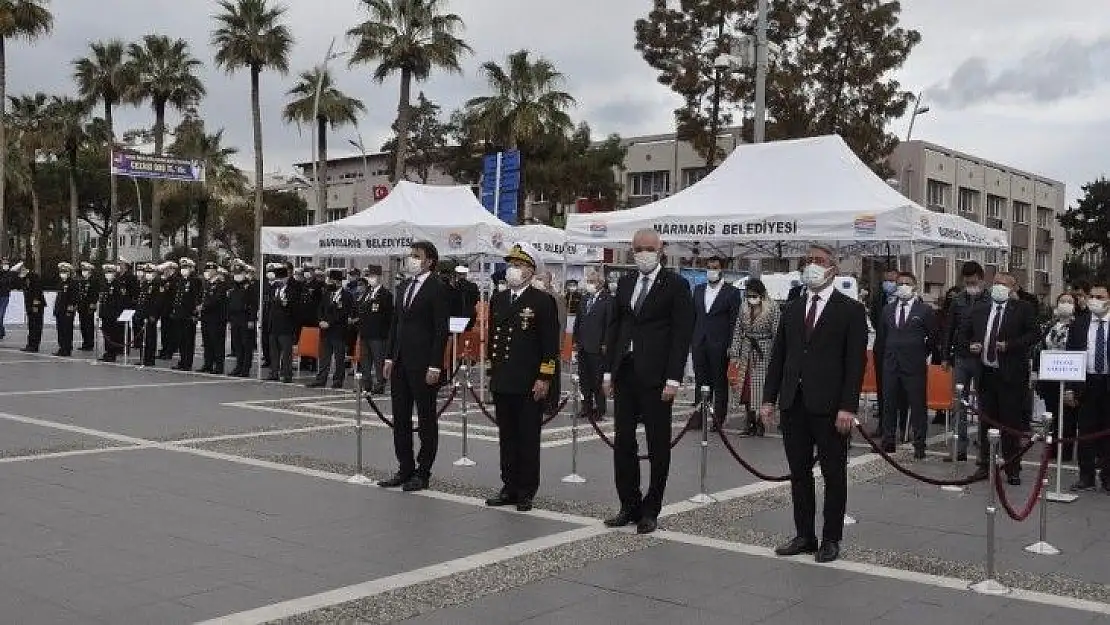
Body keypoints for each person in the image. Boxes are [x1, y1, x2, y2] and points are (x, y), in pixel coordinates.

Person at [761, 244, 867, 564]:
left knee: (834, 475)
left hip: (831, 406)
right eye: (808, 261)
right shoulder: (792, 308)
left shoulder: (850, 310)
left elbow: (855, 364)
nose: (812, 266)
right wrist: (769, 399)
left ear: (833, 267)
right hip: (795, 403)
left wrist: (848, 406)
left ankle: (831, 539)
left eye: (818, 261)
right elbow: (779, 357)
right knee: (799, 474)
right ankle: (804, 534)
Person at [602, 229, 695, 535]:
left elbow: (681, 335)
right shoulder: (626, 283)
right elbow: (615, 327)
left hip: (657, 377)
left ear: (660, 250)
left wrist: (673, 378)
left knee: (657, 445)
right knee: (623, 442)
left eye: (648, 248)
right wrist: (607, 371)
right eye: (638, 249)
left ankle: (651, 509)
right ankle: (628, 503)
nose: (643, 253)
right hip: (626, 372)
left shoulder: (677, 286)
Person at [485, 243, 560, 512]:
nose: (513, 270)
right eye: (511, 265)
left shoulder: (542, 301)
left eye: (518, 265)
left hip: (529, 381)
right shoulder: (500, 299)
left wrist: (545, 377)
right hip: (504, 379)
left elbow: (550, 345)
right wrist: (492, 371)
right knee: (507, 436)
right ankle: (509, 486)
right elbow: (494, 337)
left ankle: (526, 490)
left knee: (527, 437)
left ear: (530, 270)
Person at [378, 241, 451, 492]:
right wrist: (389, 357)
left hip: (423, 364)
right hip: (400, 362)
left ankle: (423, 470)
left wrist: (435, 364)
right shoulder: (404, 286)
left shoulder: (437, 288)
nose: (411, 259)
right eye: (410, 255)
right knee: (400, 418)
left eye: (416, 256)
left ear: (429, 260)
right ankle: (404, 467)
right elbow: (395, 325)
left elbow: (441, 330)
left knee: (426, 418)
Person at [961, 272, 1038, 485]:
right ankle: (984, 465)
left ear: (1013, 288)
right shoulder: (980, 309)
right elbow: (963, 335)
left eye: (1004, 284)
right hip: (987, 375)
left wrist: (1010, 345)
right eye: (996, 283)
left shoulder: (1022, 309)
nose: (999, 287)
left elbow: (1033, 334)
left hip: (1011, 377)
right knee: (986, 423)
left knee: (1010, 425)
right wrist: (970, 345)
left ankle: (1013, 468)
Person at [872, 272, 939, 458]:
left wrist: (921, 352)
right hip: (891, 364)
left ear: (915, 286)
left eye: (906, 283)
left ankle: (919, 444)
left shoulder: (924, 310)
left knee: (917, 406)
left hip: (914, 365)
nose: (902, 286)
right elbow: (882, 337)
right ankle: (888, 440)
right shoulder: (888, 310)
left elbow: (933, 337)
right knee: (889, 404)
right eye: (899, 283)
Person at [1064, 283, 1110, 492]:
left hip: (1107, 381)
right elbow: (1071, 356)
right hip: (1087, 384)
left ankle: (1108, 477)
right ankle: (1086, 476)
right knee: (1085, 431)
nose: (1094, 300)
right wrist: (1070, 389)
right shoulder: (1079, 324)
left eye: (1099, 296)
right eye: (1091, 296)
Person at [941, 261, 988, 461]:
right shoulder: (958, 299)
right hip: (960, 357)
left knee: (984, 404)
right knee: (958, 403)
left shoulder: (990, 299)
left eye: (973, 281)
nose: (970, 284)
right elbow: (949, 328)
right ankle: (959, 449)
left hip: (983, 359)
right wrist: (944, 355)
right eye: (967, 281)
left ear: (981, 279)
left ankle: (984, 449)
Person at [691, 256, 741, 431]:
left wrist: (732, 345)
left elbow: (735, 321)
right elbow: (693, 317)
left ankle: (718, 418)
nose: (712, 270)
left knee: (719, 383)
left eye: (715, 267)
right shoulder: (698, 290)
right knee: (700, 381)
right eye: (709, 267)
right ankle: (698, 417)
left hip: (720, 343)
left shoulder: (732, 292)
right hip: (700, 341)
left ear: (722, 270)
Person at [729, 278, 781, 436]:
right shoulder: (743, 307)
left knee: (760, 388)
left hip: (763, 349)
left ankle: (760, 421)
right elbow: (738, 330)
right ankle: (749, 420)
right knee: (745, 388)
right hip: (746, 348)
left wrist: (774, 357)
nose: (750, 297)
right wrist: (734, 353)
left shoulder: (773, 307)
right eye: (748, 294)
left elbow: (777, 333)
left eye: (753, 294)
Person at [573, 269, 613, 420]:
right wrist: (576, 340)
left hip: (597, 347)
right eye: (588, 281)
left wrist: (605, 343)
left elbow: (609, 324)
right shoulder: (584, 299)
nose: (589, 284)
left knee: (597, 380)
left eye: (592, 281)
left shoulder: (608, 300)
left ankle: (600, 409)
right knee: (584, 380)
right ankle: (586, 407)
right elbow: (578, 321)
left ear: (600, 283)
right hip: (583, 346)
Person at [1040, 292, 1076, 461]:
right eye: (1062, 301)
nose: (1065, 304)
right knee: (1051, 413)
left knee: (1068, 416)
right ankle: (1051, 448)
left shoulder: (1078, 327)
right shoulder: (1049, 325)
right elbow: (1040, 347)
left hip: (1069, 376)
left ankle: (1066, 451)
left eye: (1069, 302)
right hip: (1050, 376)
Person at [308, 269, 355, 389]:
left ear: (338, 282)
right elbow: (320, 308)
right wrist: (320, 321)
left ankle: (338, 380)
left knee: (339, 358)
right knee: (324, 357)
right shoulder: (327, 293)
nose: (329, 282)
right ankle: (321, 379)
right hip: (325, 331)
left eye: (331, 280)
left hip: (338, 331)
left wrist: (329, 322)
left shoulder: (347, 295)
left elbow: (344, 313)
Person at [355, 266, 393, 394]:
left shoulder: (385, 294)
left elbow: (388, 316)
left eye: (372, 276)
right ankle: (366, 383)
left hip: (378, 334)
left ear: (379, 277)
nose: (370, 279)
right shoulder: (367, 293)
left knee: (378, 361)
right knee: (365, 361)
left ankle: (380, 383)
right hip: (365, 333)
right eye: (369, 276)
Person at [267, 265, 300, 383]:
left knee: (286, 353)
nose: (278, 281)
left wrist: (285, 303)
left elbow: (294, 307)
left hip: (286, 326)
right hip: (274, 325)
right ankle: (274, 372)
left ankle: (287, 374)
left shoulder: (292, 290)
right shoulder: (275, 289)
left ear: (286, 278)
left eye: (281, 279)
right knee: (274, 351)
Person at [226, 262, 258, 377]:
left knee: (246, 344)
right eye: (235, 273)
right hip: (235, 318)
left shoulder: (249, 286)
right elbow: (230, 303)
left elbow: (254, 304)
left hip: (245, 318)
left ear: (244, 273)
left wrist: (251, 319)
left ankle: (245, 368)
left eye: (239, 273)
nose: (237, 275)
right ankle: (238, 366)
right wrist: (229, 319)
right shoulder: (233, 286)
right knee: (237, 344)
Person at [171, 258, 203, 371]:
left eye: (186, 267)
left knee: (188, 340)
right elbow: (177, 297)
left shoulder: (195, 281)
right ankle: (182, 360)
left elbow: (197, 298)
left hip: (189, 315)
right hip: (179, 314)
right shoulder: (180, 280)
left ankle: (187, 363)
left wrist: (195, 314)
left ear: (191, 268)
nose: (183, 270)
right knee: (181, 340)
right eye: (182, 267)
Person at [198, 262, 229, 374]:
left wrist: (203, 306)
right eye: (206, 270)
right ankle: (208, 364)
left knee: (217, 343)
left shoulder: (220, 283)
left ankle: (219, 366)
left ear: (215, 271)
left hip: (217, 318)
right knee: (207, 342)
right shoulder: (207, 283)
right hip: (206, 317)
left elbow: (217, 299)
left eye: (210, 270)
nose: (207, 272)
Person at [98, 263, 128, 362]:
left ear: (114, 273)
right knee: (106, 333)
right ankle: (108, 352)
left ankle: (112, 353)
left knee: (113, 335)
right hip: (105, 314)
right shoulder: (105, 284)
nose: (108, 274)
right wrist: (101, 313)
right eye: (106, 272)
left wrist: (117, 315)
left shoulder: (118, 285)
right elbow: (103, 300)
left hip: (113, 315)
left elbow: (120, 301)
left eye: (110, 272)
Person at [135, 263, 160, 367]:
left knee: (150, 337)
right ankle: (143, 358)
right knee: (142, 338)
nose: (147, 274)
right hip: (142, 314)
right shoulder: (145, 284)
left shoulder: (156, 285)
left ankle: (150, 359)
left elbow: (157, 302)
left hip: (150, 316)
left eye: (150, 272)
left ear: (154, 273)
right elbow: (141, 300)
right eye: (146, 272)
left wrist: (154, 315)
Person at [54, 262, 79, 357]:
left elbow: (74, 298)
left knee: (67, 330)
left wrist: (70, 310)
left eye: (64, 271)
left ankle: (67, 348)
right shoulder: (61, 283)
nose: (62, 273)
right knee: (60, 330)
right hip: (60, 310)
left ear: (69, 272)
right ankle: (62, 347)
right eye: (61, 271)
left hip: (67, 311)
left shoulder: (72, 283)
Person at [76, 261, 99, 352]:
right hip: (82, 306)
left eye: (85, 270)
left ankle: (89, 343)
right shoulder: (82, 281)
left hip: (89, 306)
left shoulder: (93, 281)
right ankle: (85, 342)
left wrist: (92, 305)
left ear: (90, 270)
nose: (83, 271)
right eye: (83, 270)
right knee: (83, 326)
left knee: (88, 325)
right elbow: (80, 294)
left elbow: (94, 294)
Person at [0, 258, 14, 340]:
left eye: (7, 263)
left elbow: (10, 283)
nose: (5, 265)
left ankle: (1, 332)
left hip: (4, 296)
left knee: (0, 315)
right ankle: (1, 332)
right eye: (4, 263)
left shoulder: (9, 273)